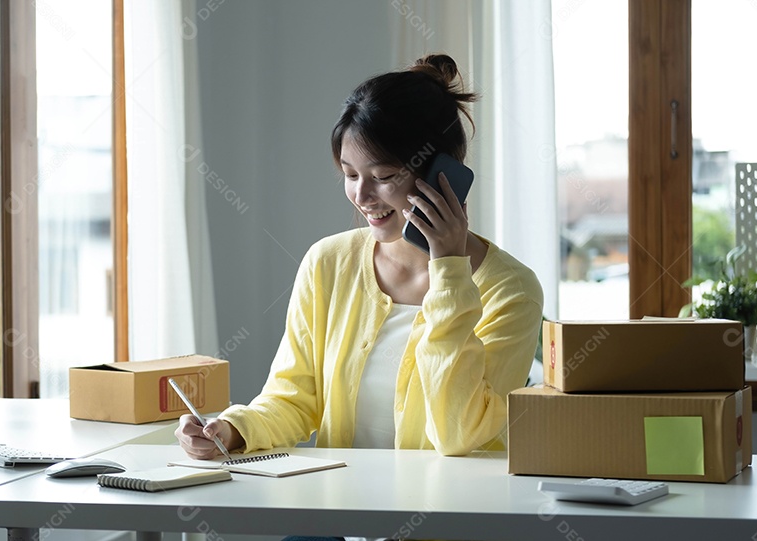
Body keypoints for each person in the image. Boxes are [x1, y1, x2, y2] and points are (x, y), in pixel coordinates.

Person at [176, 53, 543, 459]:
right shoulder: (328, 262)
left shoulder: (512, 290)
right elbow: (293, 399)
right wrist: (231, 430)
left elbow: (459, 434)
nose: (362, 196)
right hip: (341, 497)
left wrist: (450, 272)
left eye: (383, 177)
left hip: (451, 501)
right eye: (351, 175)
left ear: (443, 175)